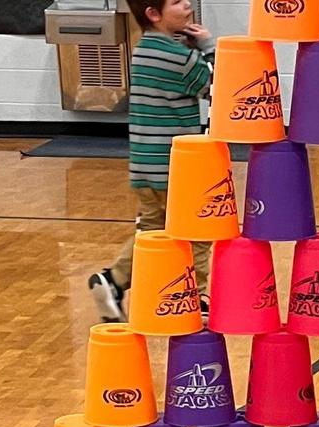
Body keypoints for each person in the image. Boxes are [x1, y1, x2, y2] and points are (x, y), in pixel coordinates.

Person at [89, 0, 215, 322]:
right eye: (177, 2)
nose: (187, 5)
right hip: (176, 169)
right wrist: (208, 46)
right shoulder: (179, 57)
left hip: (144, 167)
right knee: (197, 232)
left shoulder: (144, 49)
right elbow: (217, 86)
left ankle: (114, 280)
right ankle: (199, 296)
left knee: (152, 232)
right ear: (154, 14)